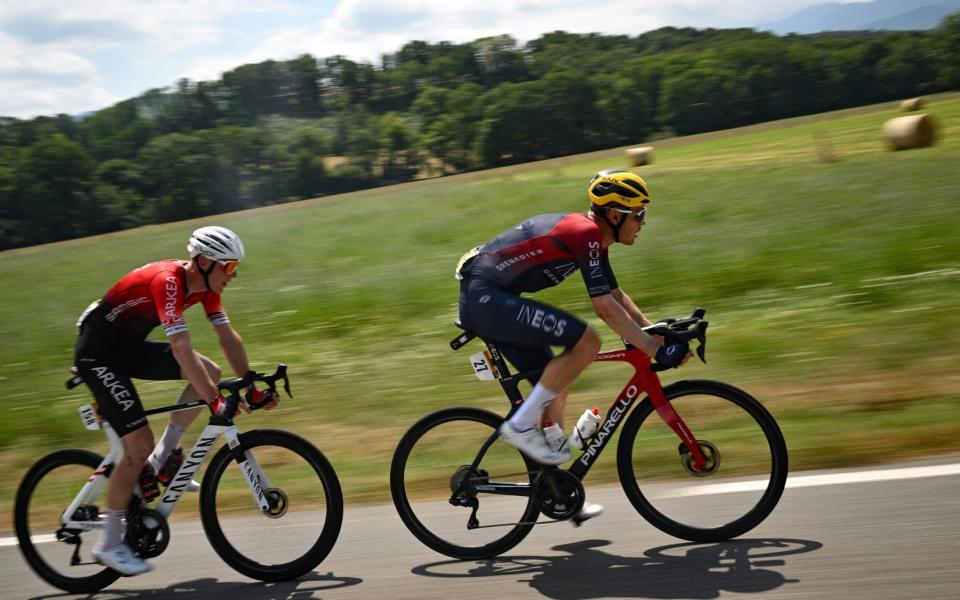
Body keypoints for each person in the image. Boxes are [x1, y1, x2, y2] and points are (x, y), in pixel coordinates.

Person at [455, 169, 691, 522]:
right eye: (639, 214)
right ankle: (520, 426)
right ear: (615, 214)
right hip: (486, 298)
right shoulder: (585, 233)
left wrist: (655, 331)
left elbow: (615, 295)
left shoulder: (594, 239)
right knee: (587, 341)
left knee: (557, 378)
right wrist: (655, 351)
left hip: (494, 298)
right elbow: (604, 309)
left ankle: (559, 491)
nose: (643, 222)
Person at [74, 226, 277, 575]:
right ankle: (108, 544)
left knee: (209, 373)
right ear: (204, 261)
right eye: (228, 267)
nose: (234, 274)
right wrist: (214, 402)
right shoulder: (168, 281)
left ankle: (163, 457)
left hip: (127, 348)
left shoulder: (205, 288)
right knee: (137, 444)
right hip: (98, 354)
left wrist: (249, 384)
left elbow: (226, 336)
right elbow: (181, 349)